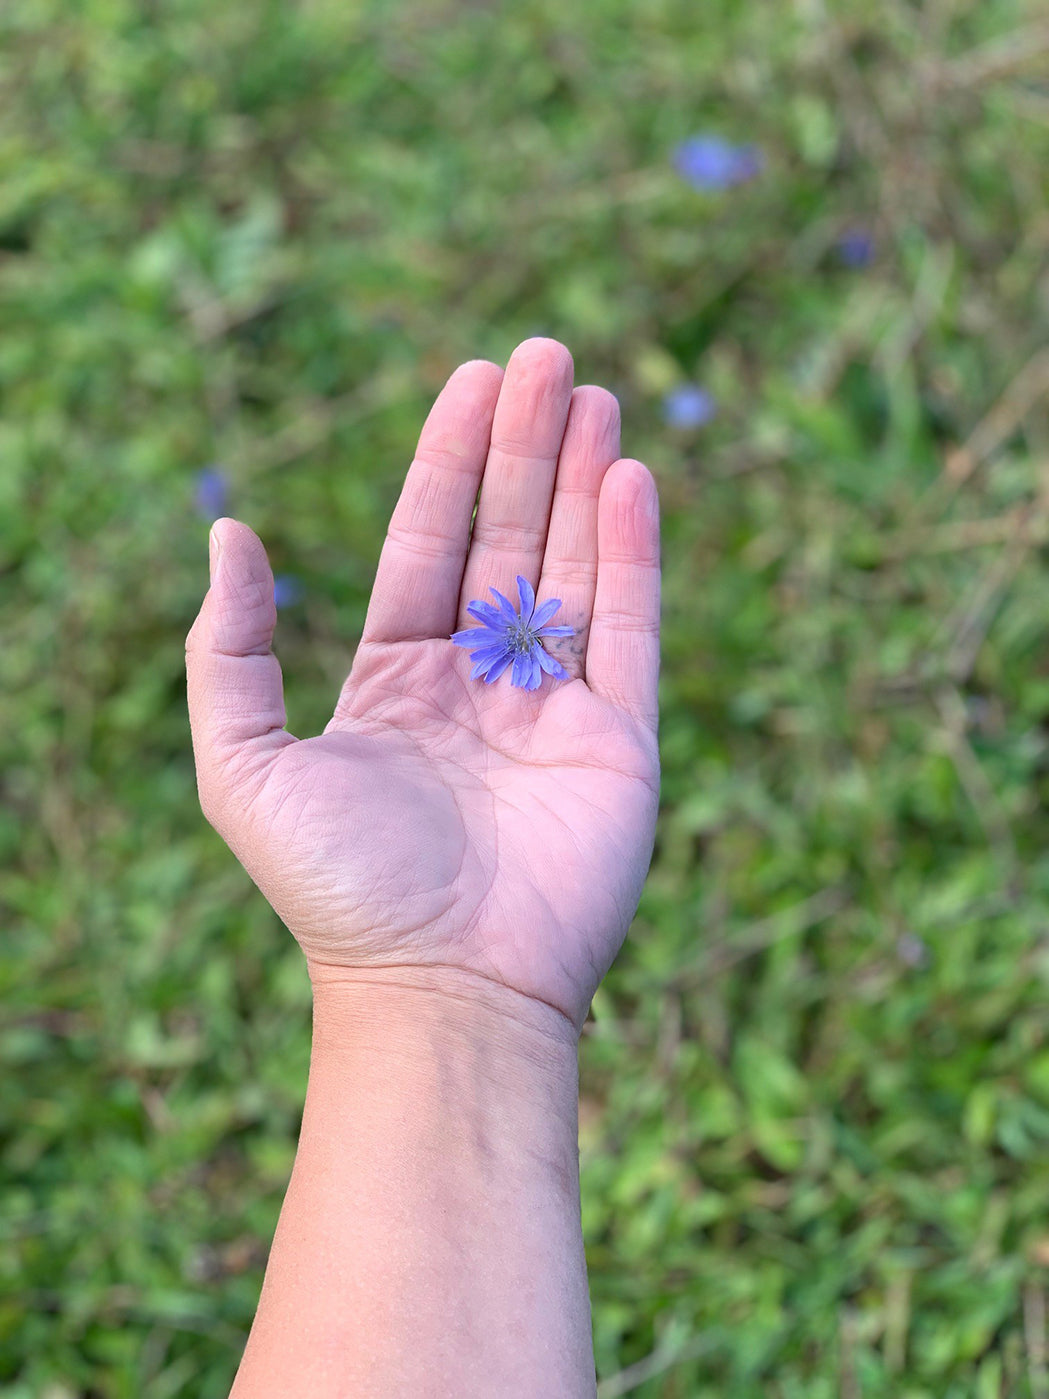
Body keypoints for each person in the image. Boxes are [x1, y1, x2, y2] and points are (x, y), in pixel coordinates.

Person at [185, 336, 661, 1397]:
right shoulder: (517, 640)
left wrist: (434, 1001)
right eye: (533, 635)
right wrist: (434, 992)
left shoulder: (519, 645)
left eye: (541, 636)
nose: (536, 637)